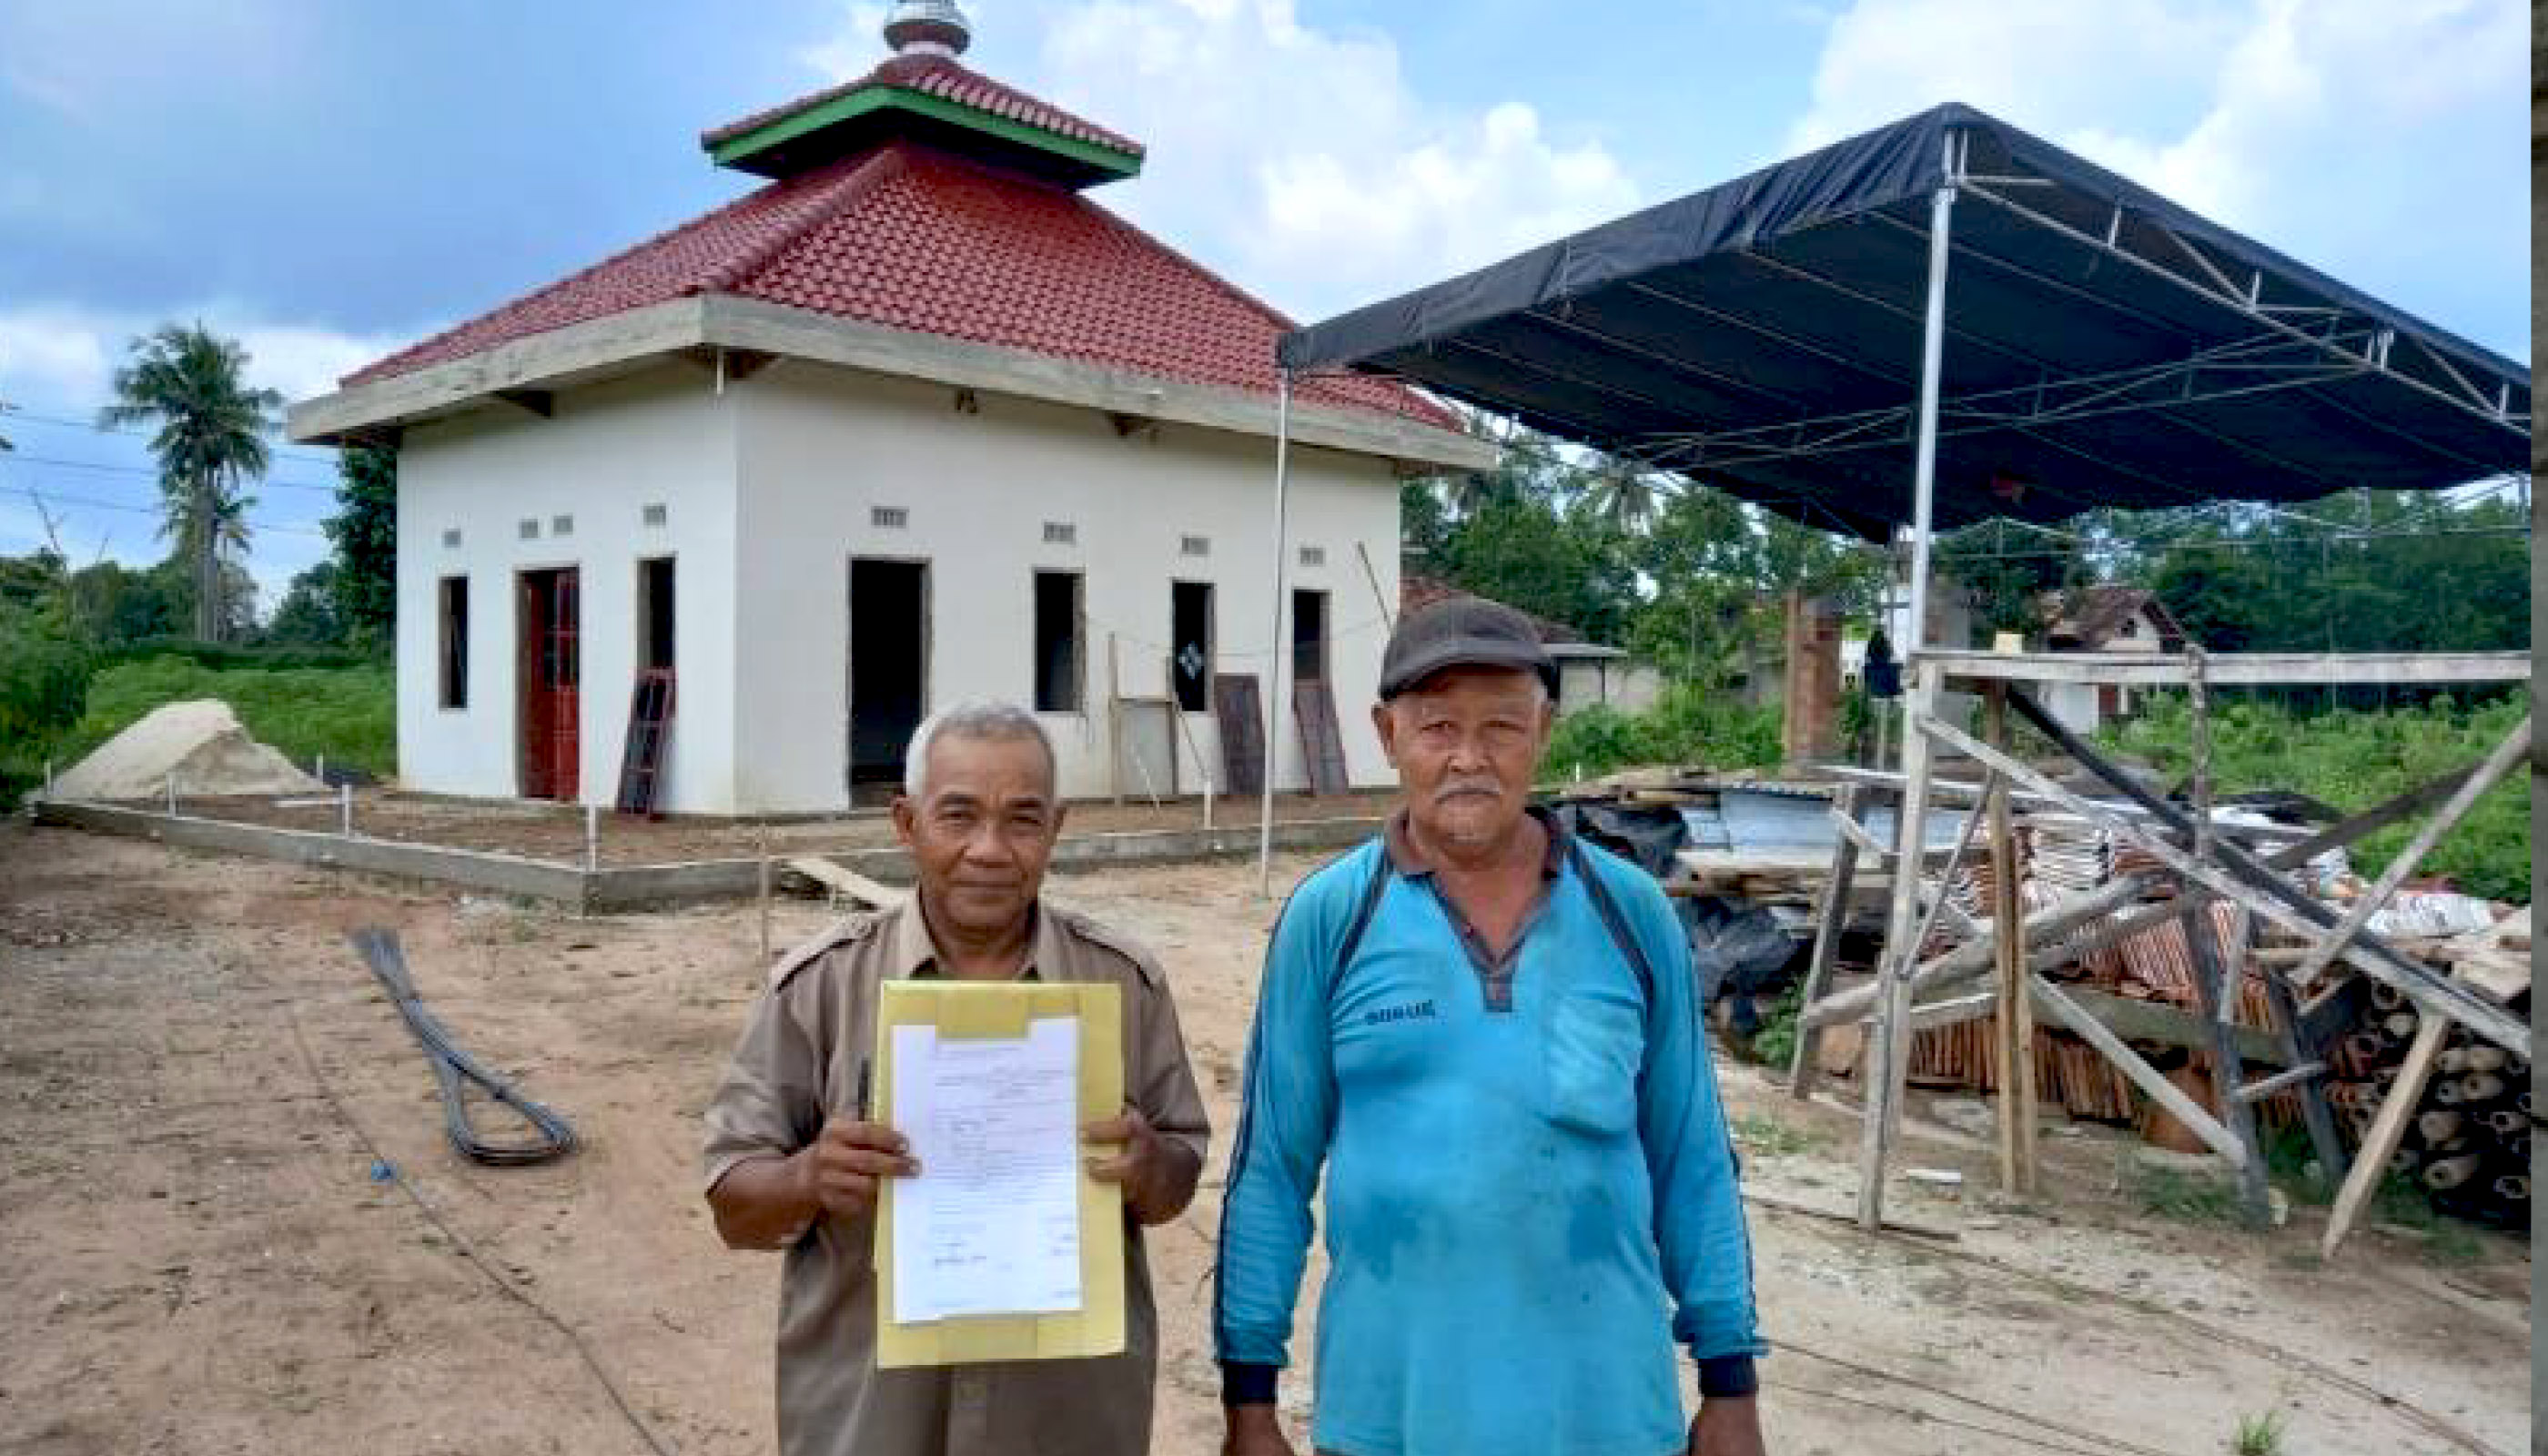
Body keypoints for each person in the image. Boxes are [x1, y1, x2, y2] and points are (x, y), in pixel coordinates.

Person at [1215, 598, 1766, 1456]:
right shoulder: (1331, 917)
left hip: (1607, 1415)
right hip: (1389, 1418)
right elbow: (1271, 1171)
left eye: (1501, 727)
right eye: (1437, 727)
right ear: (1386, 734)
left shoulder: (1633, 913)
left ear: (1543, 732)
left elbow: (1692, 1157)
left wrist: (1731, 1381)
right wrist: (1249, 1400)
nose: (1468, 758)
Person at [702, 701, 1210, 1456]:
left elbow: (1177, 1184)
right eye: (959, 816)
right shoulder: (821, 988)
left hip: (1067, 1425)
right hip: (872, 1424)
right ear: (906, 824)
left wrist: (1148, 1164)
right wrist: (809, 1176)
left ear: (1057, 828)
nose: (990, 849)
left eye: (1023, 820)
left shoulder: (1124, 987)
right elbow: (732, 1205)